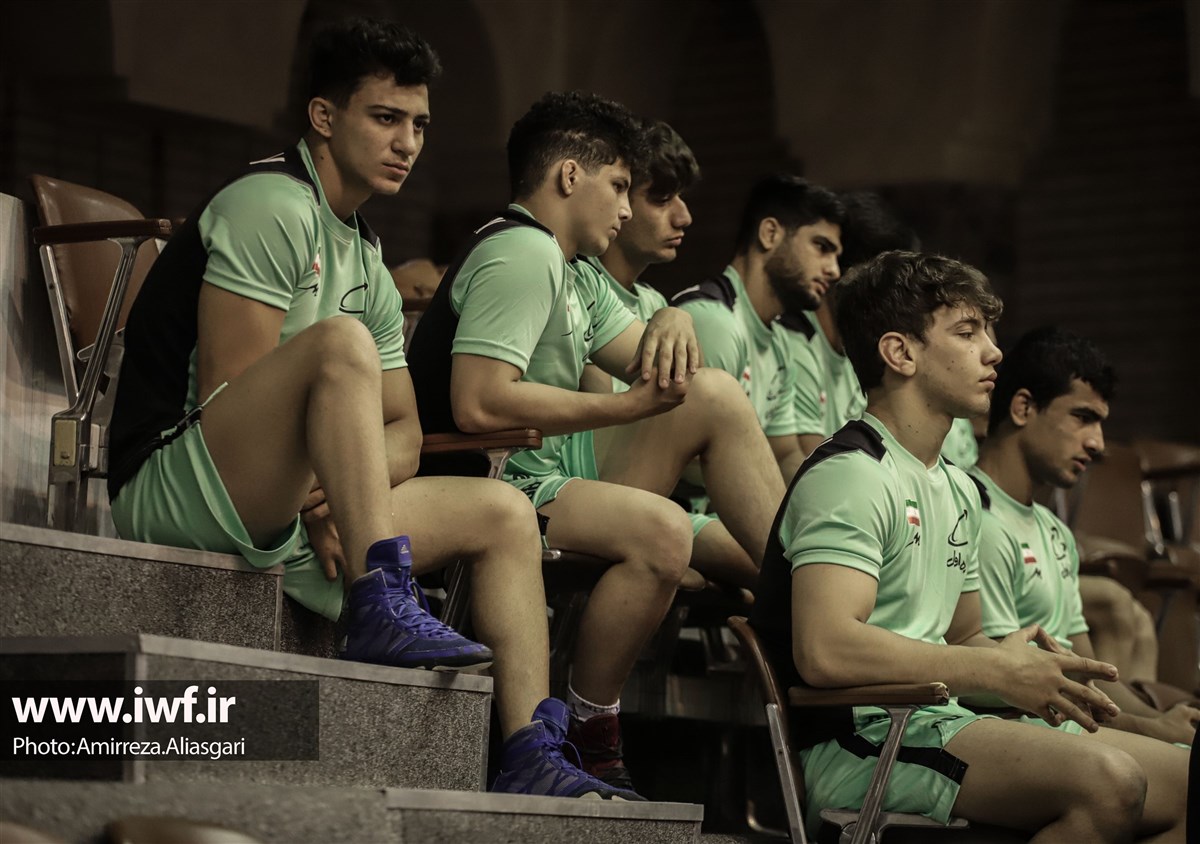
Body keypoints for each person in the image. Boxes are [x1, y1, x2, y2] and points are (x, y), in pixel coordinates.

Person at [106, 18, 630, 800]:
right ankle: (377, 596)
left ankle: (529, 750)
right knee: (341, 344)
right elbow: (228, 395)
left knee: (505, 513)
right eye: (386, 118)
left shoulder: (367, 253)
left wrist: (340, 501)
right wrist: (335, 496)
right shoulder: (270, 204)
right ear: (324, 116)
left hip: (291, 502)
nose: (407, 143)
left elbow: (405, 434)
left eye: (419, 125)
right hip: (179, 483)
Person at [408, 91, 786, 793]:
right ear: (568, 176)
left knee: (710, 401)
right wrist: (623, 408)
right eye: (619, 185)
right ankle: (593, 727)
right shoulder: (522, 250)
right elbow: (479, 402)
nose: (625, 208)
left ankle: (798, 596)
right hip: (478, 481)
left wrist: (673, 321)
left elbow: (659, 363)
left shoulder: (576, 271)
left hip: (535, 479)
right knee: (665, 531)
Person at [750, 251, 1187, 841]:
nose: (994, 351)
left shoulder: (957, 487)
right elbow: (825, 649)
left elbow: (963, 637)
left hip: (937, 721)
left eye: (989, 332)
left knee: (1188, 780)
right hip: (863, 741)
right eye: (967, 332)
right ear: (900, 353)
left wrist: (1033, 670)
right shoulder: (851, 473)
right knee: (1112, 782)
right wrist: (994, 669)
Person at [972, 326, 1199, 746]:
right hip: (1014, 733)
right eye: (1082, 417)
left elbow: (1086, 677)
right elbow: (1003, 690)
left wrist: (1164, 722)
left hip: (1066, 731)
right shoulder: (974, 517)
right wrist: (1152, 731)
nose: (1097, 443)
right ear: (1023, 407)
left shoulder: (1054, 531)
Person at [579, 119, 756, 590]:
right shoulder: (579, 285)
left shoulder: (655, 302)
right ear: (617, 199)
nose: (684, 217)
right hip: (588, 493)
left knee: (767, 564)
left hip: (656, 497)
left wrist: (674, 314)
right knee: (711, 393)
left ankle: (816, 593)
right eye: (661, 199)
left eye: (681, 198)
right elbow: (608, 421)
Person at [672, 175, 843, 481]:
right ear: (770, 234)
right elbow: (686, 456)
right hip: (683, 504)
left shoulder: (780, 342)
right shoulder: (714, 320)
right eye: (821, 246)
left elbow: (785, 454)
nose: (834, 270)